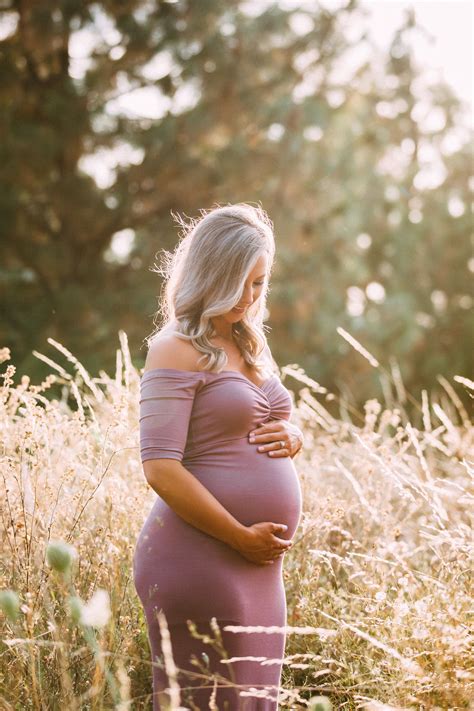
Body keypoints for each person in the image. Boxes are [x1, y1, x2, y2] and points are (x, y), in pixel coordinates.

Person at [133, 203, 304, 710]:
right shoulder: (174, 347)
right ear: (212, 272)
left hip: (256, 565)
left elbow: (246, 425)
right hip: (200, 555)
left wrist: (292, 435)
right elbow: (159, 467)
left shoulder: (245, 343)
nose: (250, 298)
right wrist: (238, 536)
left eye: (259, 284)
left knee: (253, 702)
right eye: (241, 283)